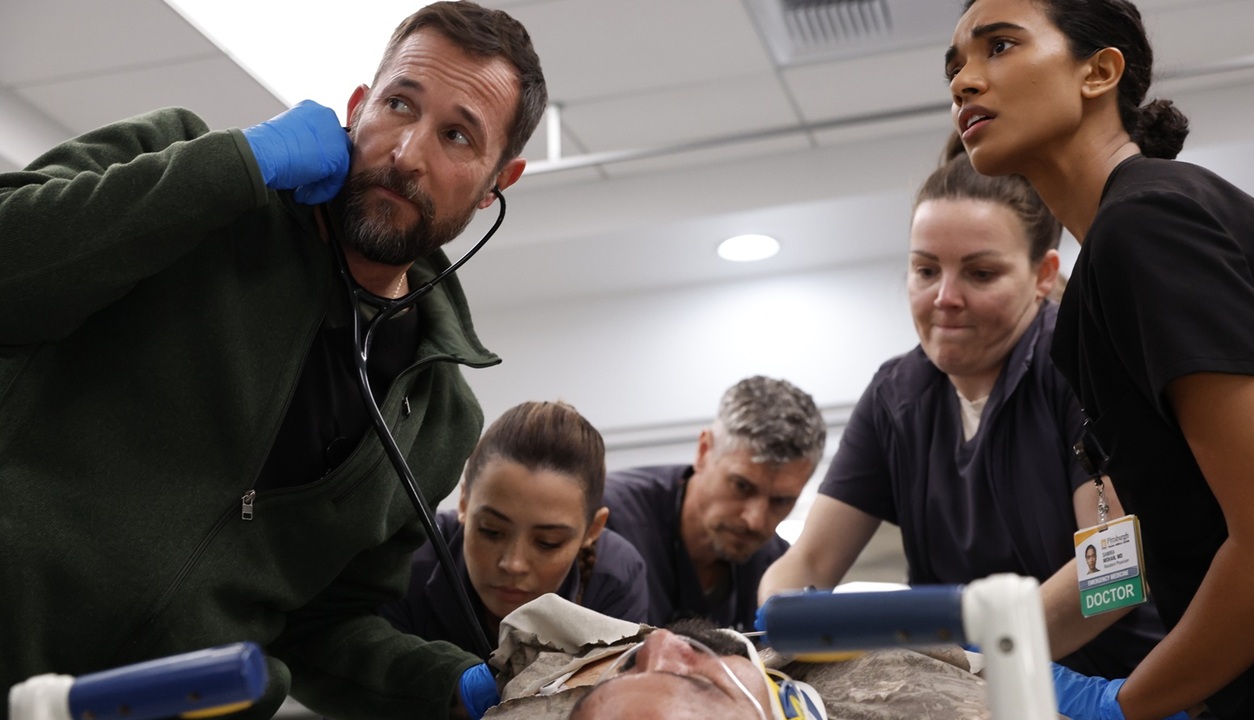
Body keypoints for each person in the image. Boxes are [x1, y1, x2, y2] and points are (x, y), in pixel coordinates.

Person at [0, 3, 546, 719]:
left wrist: (454, 684)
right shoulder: (191, 175)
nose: (408, 152)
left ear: (497, 181)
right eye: (398, 104)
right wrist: (234, 166)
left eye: (455, 135)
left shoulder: (438, 417)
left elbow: (321, 630)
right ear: (358, 108)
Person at [946, 0, 1254, 717]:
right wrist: (983, 660)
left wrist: (1130, 704)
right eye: (956, 66)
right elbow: (1132, 556)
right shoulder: (1113, 261)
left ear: (1099, 72)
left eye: (998, 47)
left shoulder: (1147, 226)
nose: (964, 83)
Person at [758, 137, 1164, 680]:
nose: (945, 297)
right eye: (926, 270)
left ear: (1044, 274)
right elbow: (807, 562)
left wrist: (984, 651)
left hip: (1123, 686)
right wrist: (775, 627)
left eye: (980, 274)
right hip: (976, 686)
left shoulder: (1079, 364)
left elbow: (1114, 571)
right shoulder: (894, 397)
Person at [383, 401, 649, 656]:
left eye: (548, 542)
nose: (513, 564)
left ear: (593, 529)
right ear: (463, 502)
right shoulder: (406, 562)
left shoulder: (614, 578)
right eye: (491, 531)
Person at [476, 594, 988, 720]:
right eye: (701, 683)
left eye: (623, 670)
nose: (660, 646)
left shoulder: (542, 657)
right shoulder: (899, 681)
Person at [603, 376, 826, 631]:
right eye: (742, 486)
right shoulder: (607, 520)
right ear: (703, 451)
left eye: (782, 500)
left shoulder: (778, 568)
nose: (755, 520)